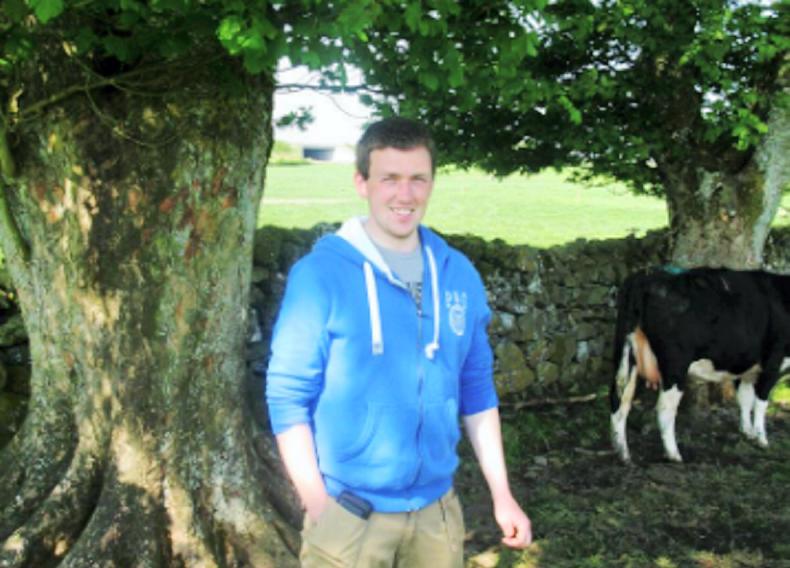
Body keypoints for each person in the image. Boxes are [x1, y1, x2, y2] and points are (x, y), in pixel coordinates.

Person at [266, 117, 531, 567]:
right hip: (349, 516)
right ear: (362, 183)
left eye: (417, 179)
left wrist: (502, 496)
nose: (404, 195)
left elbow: (478, 391)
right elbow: (287, 396)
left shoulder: (458, 274)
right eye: (389, 178)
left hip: (437, 517)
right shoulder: (320, 275)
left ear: (431, 183)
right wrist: (320, 508)